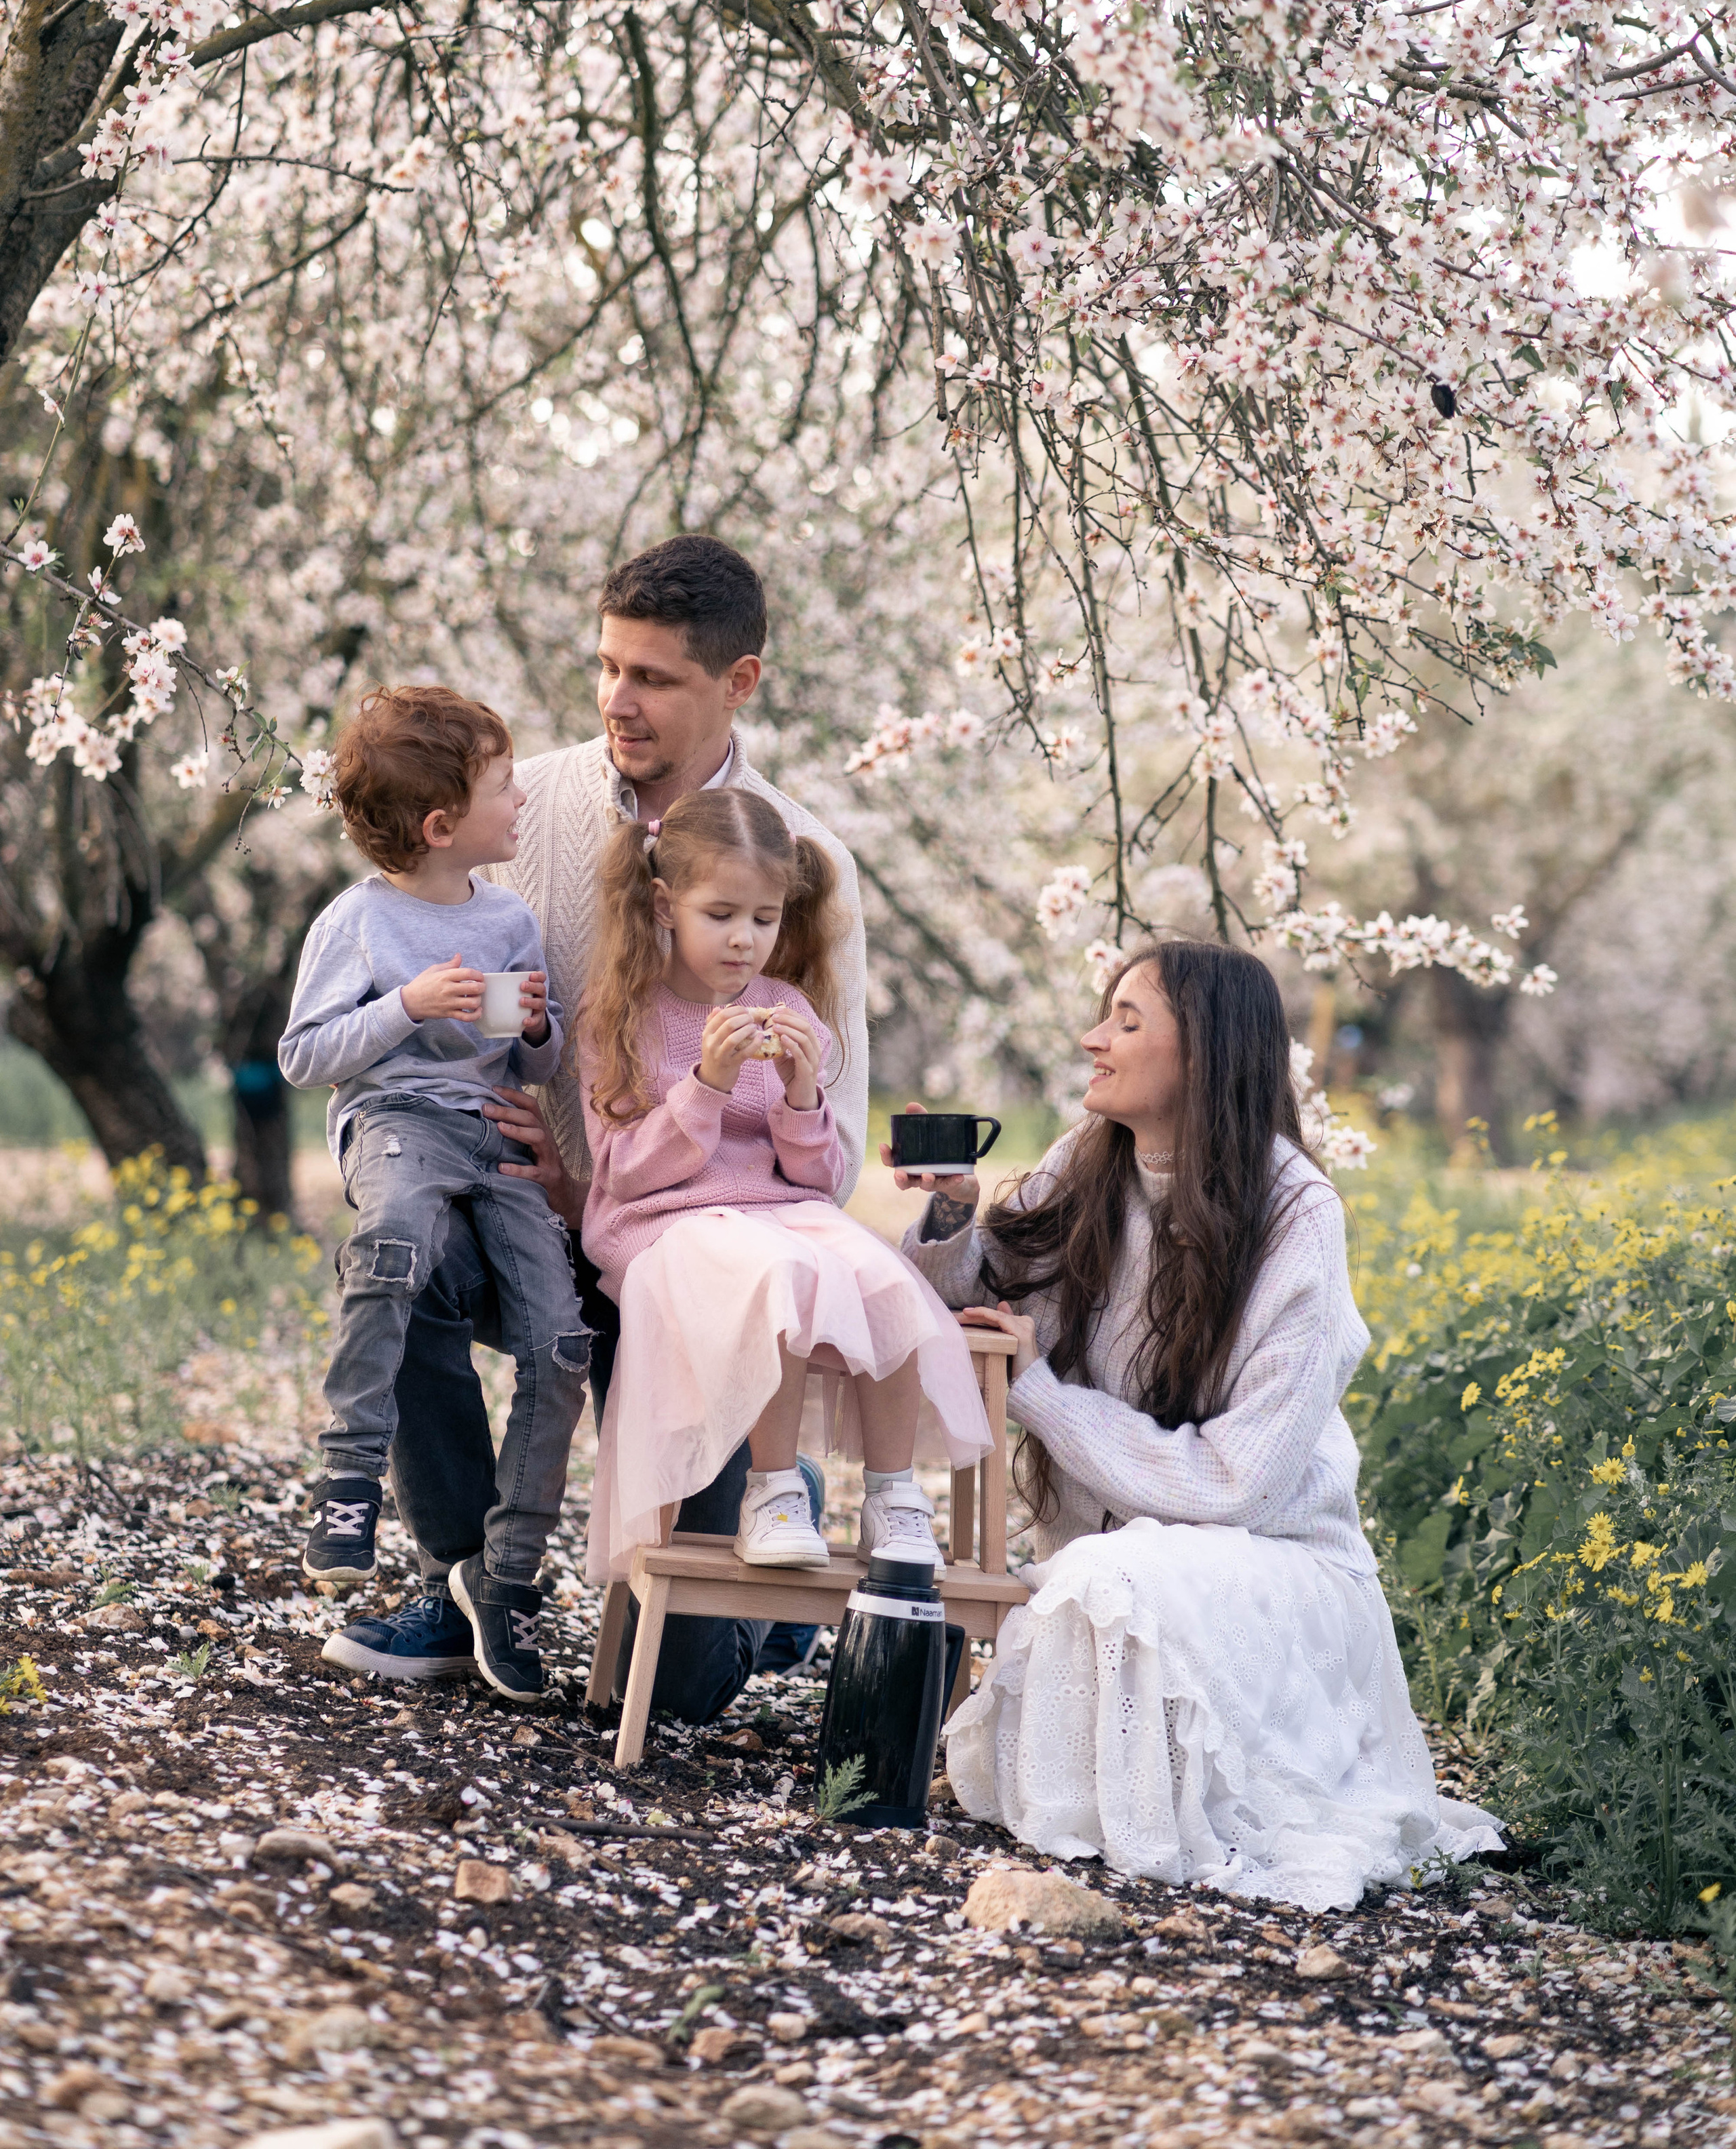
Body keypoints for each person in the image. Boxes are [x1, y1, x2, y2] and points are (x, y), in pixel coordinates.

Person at [323, 535, 869, 1713]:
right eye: (608, 668)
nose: (619, 700)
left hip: (690, 1258)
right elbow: (423, 960)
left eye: (656, 679)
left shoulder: (799, 857)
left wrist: (622, 1192)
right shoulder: (523, 809)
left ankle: (759, 1593)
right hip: (524, 1211)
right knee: (394, 1254)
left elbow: (837, 1137)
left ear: (739, 685)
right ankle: (470, 1584)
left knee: (672, 1696)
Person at [891, 939, 1503, 1912]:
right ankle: (1094, 1828)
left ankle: (1130, 1835)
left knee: (1103, 1578)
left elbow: (1239, 1488)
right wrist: (949, 1218)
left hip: (1279, 1568)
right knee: (1100, 1575)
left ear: (1207, 1054)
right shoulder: (1089, 1165)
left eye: (1129, 1023)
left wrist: (1040, 1391)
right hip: (1130, 1560)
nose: (1095, 1038)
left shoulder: (1296, 1213)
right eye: (1106, 1014)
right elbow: (969, 1303)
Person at [581, 788, 990, 1579]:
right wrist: (707, 1082)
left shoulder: (786, 1004)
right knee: (780, 1277)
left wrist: (804, 1096)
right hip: (669, 1219)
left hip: (778, 1209)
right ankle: (772, 1492)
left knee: (885, 1279)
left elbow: (818, 1179)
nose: (745, 940)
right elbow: (625, 1174)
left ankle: (892, 1496)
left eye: (763, 920)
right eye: (721, 914)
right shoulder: (622, 1013)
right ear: (665, 905)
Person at [279, 684, 591, 1703]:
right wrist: (406, 1007)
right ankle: (350, 1476)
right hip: (400, 1125)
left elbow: (529, 1066)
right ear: (443, 825)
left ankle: (501, 1580)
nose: (524, 803)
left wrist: (536, 1028)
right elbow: (304, 1054)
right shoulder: (358, 922)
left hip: (491, 1136)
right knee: (395, 1247)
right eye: (506, 788)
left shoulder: (507, 918)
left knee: (559, 1342)